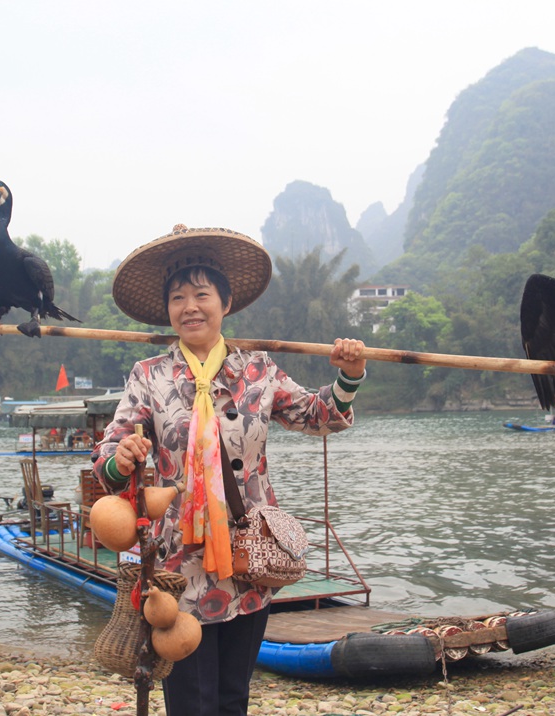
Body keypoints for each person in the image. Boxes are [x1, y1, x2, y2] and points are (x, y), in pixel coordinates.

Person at [91, 225, 367, 716]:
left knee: (233, 696)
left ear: (226, 301)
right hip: (178, 561)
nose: (190, 306)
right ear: (168, 310)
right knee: (190, 698)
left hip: (248, 558)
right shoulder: (149, 376)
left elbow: (320, 417)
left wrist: (348, 375)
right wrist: (123, 456)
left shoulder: (258, 371)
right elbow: (110, 453)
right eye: (178, 298)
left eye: (202, 294)